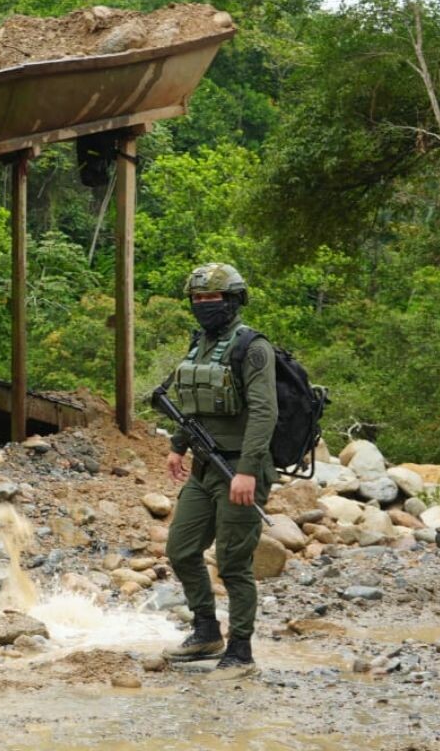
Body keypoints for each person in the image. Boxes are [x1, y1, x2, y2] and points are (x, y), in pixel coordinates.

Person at [160, 262, 277, 680]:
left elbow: (264, 413)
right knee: (181, 549)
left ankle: (241, 652)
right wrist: (178, 446)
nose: (204, 304)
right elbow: (192, 402)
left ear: (233, 300)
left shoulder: (253, 348)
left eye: (213, 297)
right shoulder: (200, 345)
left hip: (240, 469)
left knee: (233, 563)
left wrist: (247, 470)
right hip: (204, 467)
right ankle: (206, 631)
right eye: (198, 298)